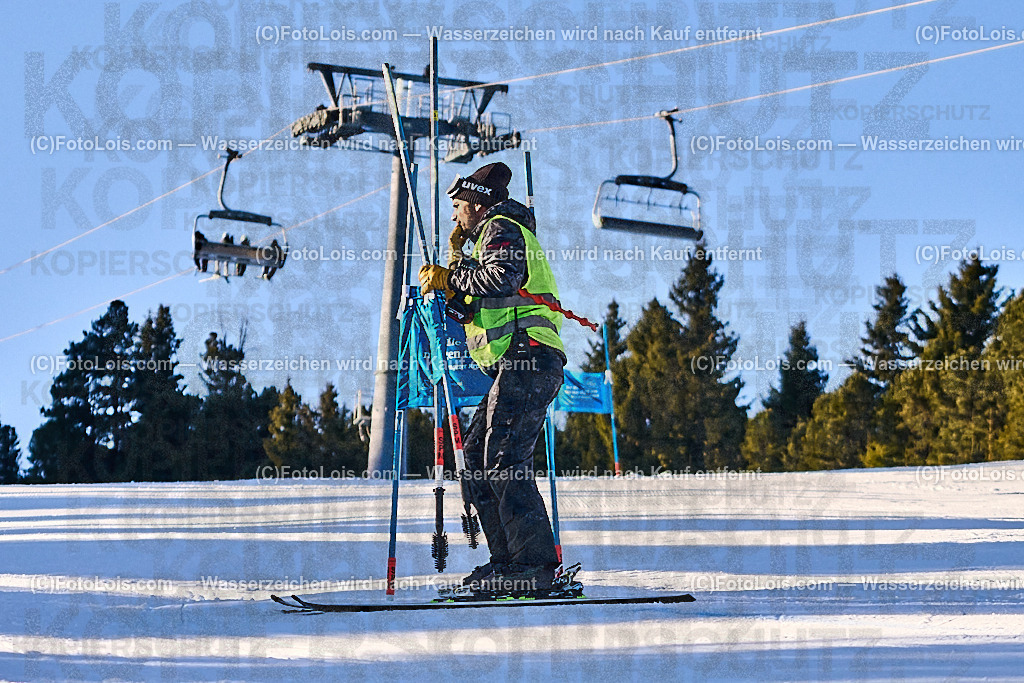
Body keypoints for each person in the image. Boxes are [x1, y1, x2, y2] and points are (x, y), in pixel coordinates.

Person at [418, 161, 566, 593]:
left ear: (477, 204)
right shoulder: (485, 239)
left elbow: (502, 278)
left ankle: (536, 565)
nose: (454, 216)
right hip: (514, 361)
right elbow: (480, 302)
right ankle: (506, 560)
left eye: (459, 205)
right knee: (478, 457)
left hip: (530, 354)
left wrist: (454, 274)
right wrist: (452, 289)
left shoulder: (501, 229)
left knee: (503, 457)